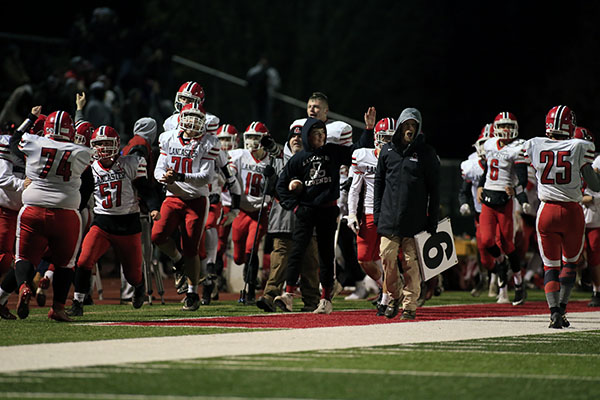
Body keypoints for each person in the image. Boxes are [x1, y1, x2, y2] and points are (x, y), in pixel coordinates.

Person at [274, 107, 375, 314]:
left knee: (326, 255)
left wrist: (368, 129)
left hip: (328, 210)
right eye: (315, 134)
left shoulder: (332, 151)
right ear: (306, 136)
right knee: (297, 252)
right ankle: (289, 294)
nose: (320, 137)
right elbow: (280, 186)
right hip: (306, 210)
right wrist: (293, 206)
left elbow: (358, 151)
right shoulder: (298, 158)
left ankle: (326, 298)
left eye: (322, 134)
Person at [67, 125, 161, 316]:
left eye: (106, 144)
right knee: (84, 261)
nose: (101, 148)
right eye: (98, 144)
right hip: (102, 223)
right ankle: (78, 301)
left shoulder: (131, 163)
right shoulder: (90, 169)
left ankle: (139, 286)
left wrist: (153, 207)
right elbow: (83, 197)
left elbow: (145, 189)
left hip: (128, 224)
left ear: (116, 144)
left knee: (133, 275)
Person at [523, 105, 600, 328]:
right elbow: (594, 184)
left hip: (546, 211)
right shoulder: (579, 146)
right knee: (570, 264)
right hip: (572, 212)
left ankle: (554, 312)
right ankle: (563, 310)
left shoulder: (534, 144)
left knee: (550, 267)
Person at [14, 110, 93, 321]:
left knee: (23, 258)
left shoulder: (33, 141)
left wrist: (29, 118)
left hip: (33, 208)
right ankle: (57, 308)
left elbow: (14, 142)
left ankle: (23, 287)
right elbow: (87, 177)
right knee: (65, 264)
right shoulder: (80, 151)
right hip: (66, 213)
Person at [151, 102, 220, 311]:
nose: (192, 121)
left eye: (197, 117)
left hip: (196, 200)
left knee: (191, 247)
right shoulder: (169, 138)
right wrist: (166, 179)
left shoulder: (209, 142)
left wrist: (178, 176)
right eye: (188, 116)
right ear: (180, 118)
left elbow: (206, 177)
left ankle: (192, 294)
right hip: (173, 197)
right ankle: (178, 261)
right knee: (157, 236)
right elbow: (158, 169)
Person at [373, 107, 440, 320]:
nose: (410, 129)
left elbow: (434, 189)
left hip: (415, 219)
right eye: (407, 125)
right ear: (400, 126)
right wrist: (377, 212)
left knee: (411, 263)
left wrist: (433, 219)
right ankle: (395, 293)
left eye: (414, 125)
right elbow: (379, 183)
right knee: (387, 257)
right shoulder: (387, 151)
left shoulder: (426, 153)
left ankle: (410, 306)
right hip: (389, 216)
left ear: (418, 128)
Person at [255, 122, 320, 312]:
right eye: (293, 136)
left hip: (306, 216)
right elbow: (266, 190)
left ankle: (311, 300)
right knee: (279, 260)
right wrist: (270, 179)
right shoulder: (277, 159)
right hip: (282, 217)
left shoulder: (313, 159)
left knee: (309, 261)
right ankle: (270, 295)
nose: (296, 139)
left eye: (300, 136)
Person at [477, 112, 530, 305]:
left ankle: (518, 281)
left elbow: (522, 178)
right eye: (503, 125)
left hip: (504, 200)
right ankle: (501, 264)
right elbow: (487, 170)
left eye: (509, 125)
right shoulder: (490, 144)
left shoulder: (518, 147)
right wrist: (482, 185)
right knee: (486, 239)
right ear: (497, 127)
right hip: (488, 198)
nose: (506, 129)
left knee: (508, 244)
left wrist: (515, 188)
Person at [346, 117, 396, 314]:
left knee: (388, 258)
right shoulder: (362, 155)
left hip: (390, 214)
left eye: (391, 139)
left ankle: (386, 297)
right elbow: (354, 188)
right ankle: (387, 285)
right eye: (384, 138)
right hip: (368, 213)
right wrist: (351, 213)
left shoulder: (399, 157)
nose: (387, 143)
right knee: (364, 258)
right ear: (376, 138)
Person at [227, 121, 277, 304]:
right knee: (239, 257)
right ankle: (249, 275)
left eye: (257, 137)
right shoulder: (239, 155)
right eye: (250, 137)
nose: (252, 141)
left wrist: (273, 180)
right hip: (241, 211)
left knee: (251, 249)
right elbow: (229, 172)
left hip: (259, 211)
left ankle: (249, 290)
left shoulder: (272, 159)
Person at [458, 123, 498, 297]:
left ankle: (498, 281)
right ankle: (488, 277)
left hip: (500, 211)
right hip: (480, 213)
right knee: (483, 250)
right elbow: (464, 190)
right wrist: (464, 203)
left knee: (501, 246)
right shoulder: (472, 164)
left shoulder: (502, 162)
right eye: (483, 142)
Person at [577, 127, 600, 308]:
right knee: (574, 256)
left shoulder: (595, 162)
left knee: (593, 254)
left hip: (593, 216)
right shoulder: (564, 160)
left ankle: (596, 289)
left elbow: (594, 194)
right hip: (575, 215)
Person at [246, 57, 281, 128]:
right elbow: (248, 83)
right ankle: (255, 129)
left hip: (267, 97)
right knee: (257, 115)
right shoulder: (254, 71)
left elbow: (276, 84)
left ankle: (265, 130)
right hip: (256, 97)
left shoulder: (271, 72)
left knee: (266, 116)